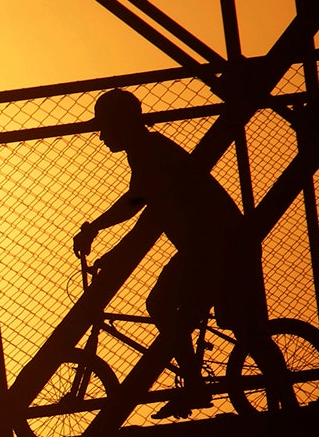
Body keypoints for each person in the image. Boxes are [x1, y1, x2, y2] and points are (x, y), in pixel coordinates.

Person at [73, 89, 296, 417]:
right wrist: (109, 243)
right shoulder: (148, 150)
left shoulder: (149, 152)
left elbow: (138, 202)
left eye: (105, 127)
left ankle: (196, 384)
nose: (102, 135)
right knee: (245, 328)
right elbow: (146, 208)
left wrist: (97, 231)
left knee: (172, 307)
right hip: (213, 244)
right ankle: (226, 390)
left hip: (216, 245)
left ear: (122, 123)